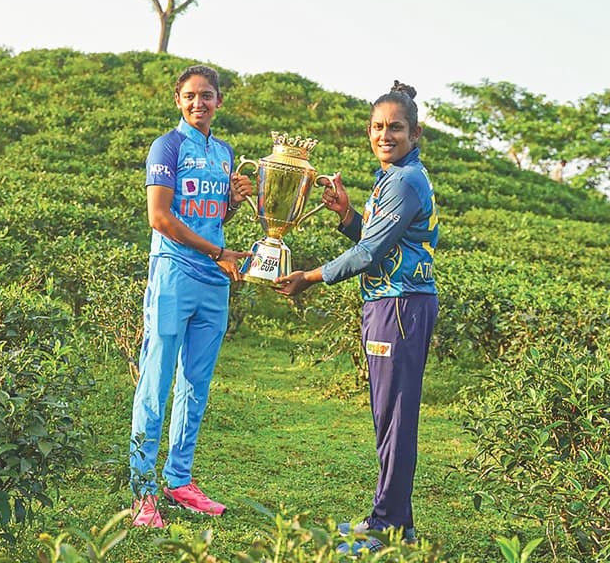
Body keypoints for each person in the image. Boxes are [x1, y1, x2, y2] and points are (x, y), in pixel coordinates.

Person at [274, 80, 439, 555]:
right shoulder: (392, 176)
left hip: (400, 306)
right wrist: (348, 215)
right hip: (389, 303)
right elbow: (379, 242)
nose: (385, 135)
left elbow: (369, 254)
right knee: (389, 416)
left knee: (395, 419)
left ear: (415, 132)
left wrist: (309, 276)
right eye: (377, 127)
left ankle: (387, 525)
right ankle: (394, 522)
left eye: (396, 128)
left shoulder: (405, 180)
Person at [130, 64, 253, 528]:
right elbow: (160, 218)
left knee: (195, 387)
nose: (198, 103)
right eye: (190, 96)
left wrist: (235, 202)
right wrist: (220, 250)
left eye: (207, 95)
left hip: (214, 281)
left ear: (219, 101)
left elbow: (211, 215)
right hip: (174, 274)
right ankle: (143, 493)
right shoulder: (167, 146)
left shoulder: (224, 152)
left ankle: (178, 481)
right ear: (178, 101)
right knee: (156, 383)